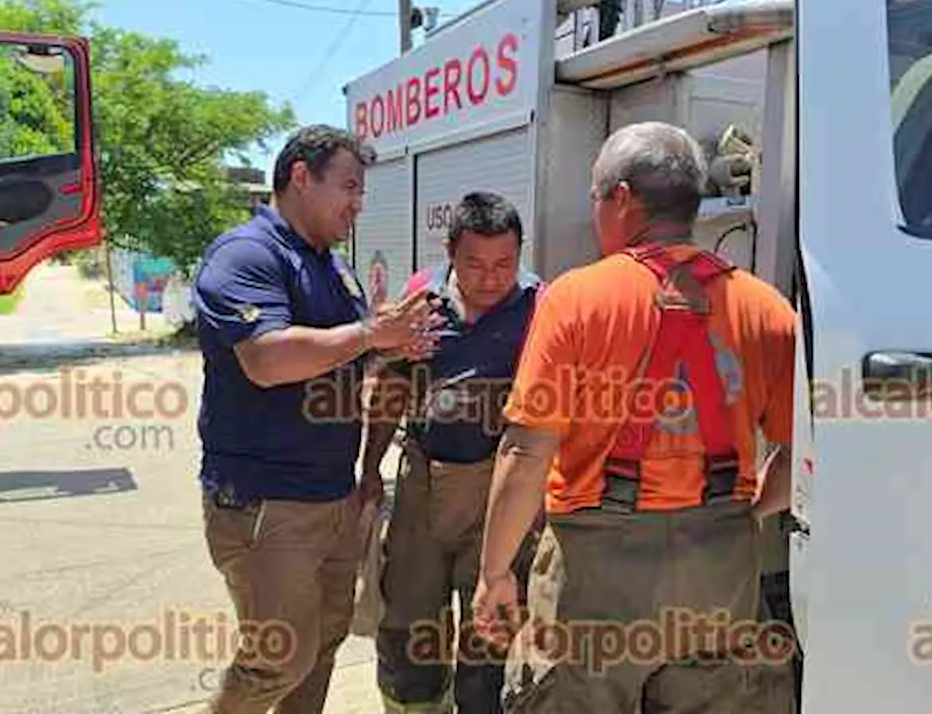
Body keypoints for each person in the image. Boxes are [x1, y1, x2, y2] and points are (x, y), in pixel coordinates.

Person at [471, 121, 796, 713]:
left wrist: (495, 572)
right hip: (719, 572)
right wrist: (747, 514)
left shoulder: (576, 299)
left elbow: (526, 453)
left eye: (596, 199)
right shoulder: (767, 309)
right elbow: (805, 456)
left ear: (621, 198)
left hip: (595, 575)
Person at [192, 123, 441, 714]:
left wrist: (391, 346)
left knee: (323, 644)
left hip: (332, 496)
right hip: (266, 503)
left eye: (362, 192)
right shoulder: (248, 254)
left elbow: (343, 356)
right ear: (300, 177)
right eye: (349, 187)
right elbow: (268, 359)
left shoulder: (332, 267)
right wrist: (366, 333)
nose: (358, 203)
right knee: (277, 657)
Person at [361, 191, 543, 713]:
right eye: (474, 264)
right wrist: (370, 469)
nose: (490, 278)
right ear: (449, 251)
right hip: (421, 485)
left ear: (520, 252)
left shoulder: (540, 306)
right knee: (408, 626)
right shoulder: (421, 298)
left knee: (491, 634)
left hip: (501, 492)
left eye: (504, 264)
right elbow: (393, 386)